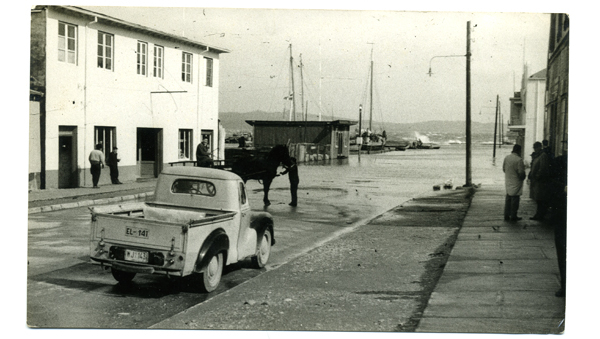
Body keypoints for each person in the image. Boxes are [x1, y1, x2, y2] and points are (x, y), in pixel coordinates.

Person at [503, 144, 526, 222]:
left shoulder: (507, 158)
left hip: (508, 180)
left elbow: (504, 169)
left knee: (508, 197)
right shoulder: (519, 160)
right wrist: (523, 176)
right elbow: (521, 173)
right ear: (519, 151)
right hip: (516, 181)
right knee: (515, 199)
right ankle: (513, 215)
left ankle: (506, 215)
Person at [529, 142, 551, 220]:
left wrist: (537, 177)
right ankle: (538, 214)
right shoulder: (537, 156)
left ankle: (540, 215)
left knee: (540, 198)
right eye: (534, 148)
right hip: (536, 181)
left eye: (535, 148)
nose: (534, 149)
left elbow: (542, 168)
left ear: (539, 147)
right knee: (538, 199)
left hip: (540, 181)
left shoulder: (542, 156)